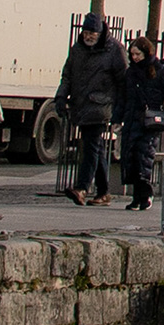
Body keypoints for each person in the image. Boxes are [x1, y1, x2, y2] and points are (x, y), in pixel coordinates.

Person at [57, 17, 124, 207]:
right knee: (96, 148)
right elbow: (67, 76)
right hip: (81, 104)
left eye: (92, 34)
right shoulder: (77, 50)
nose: (88, 37)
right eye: (85, 33)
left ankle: (82, 187)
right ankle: (103, 192)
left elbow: (122, 80)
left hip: (101, 105)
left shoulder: (114, 49)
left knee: (91, 146)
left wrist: (119, 108)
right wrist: (61, 97)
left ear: (100, 33)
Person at [119, 40, 164, 211]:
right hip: (132, 120)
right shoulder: (130, 72)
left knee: (144, 156)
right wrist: (117, 119)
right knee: (131, 157)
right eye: (132, 54)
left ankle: (145, 194)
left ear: (146, 53)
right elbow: (123, 98)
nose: (134, 57)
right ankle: (138, 197)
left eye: (138, 54)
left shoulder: (160, 71)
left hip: (150, 122)